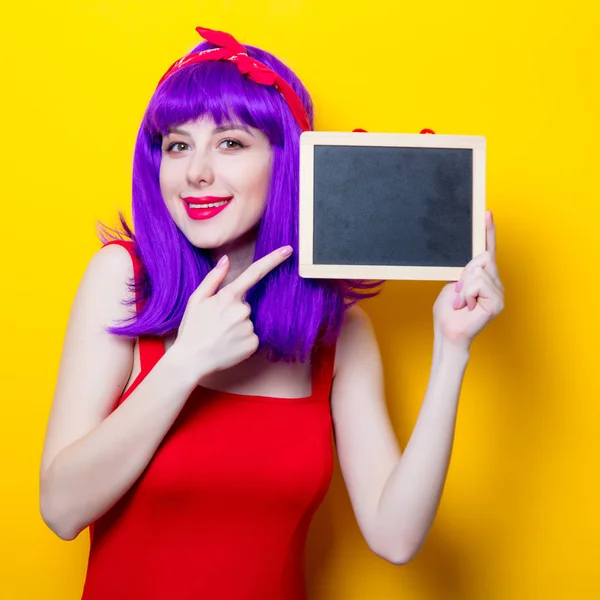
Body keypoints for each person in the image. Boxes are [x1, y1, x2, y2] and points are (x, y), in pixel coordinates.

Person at [39, 26, 505, 600]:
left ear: (285, 162)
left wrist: (452, 349)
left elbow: (395, 535)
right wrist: (184, 363)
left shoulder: (337, 329)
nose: (196, 172)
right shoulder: (122, 279)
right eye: (178, 145)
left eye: (230, 143)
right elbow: (61, 510)